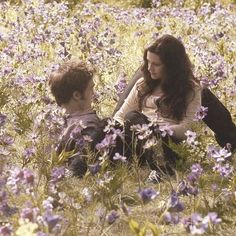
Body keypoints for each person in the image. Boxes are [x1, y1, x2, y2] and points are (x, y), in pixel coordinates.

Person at [113, 35, 202, 174]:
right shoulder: (143, 84)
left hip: (167, 141)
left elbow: (187, 128)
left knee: (133, 117)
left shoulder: (190, 89)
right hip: (139, 140)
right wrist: (113, 130)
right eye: (148, 62)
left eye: (156, 64)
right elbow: (120, 116)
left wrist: (158, 131)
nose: (149, 68)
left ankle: (160, 165)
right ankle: (78, 166)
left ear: (172, 66)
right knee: (109, 126)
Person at [49, 61, 105, 177]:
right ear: (77, 95)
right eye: (91, 89)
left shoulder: (50, 120)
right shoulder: (90, 125)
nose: (94, 93)